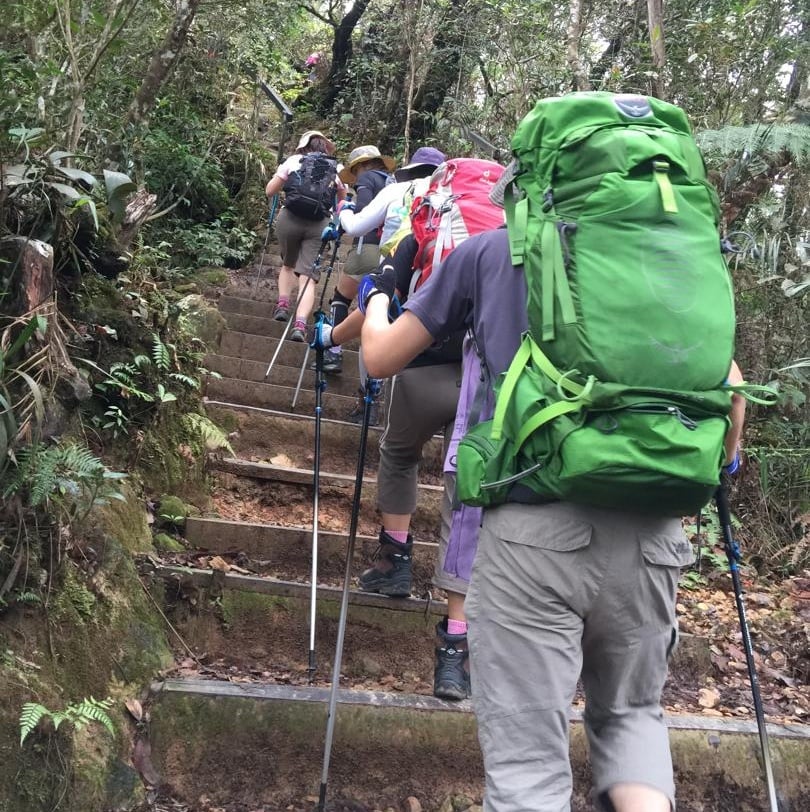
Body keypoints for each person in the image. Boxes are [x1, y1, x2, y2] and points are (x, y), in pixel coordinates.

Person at [339, 221, 746, 809]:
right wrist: (723, 466)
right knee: (632, 717)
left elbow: (380, 358)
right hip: (653, 535)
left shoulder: (491, 250)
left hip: (532, 533)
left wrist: (376, 299)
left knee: (528, 764)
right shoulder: (660, 249)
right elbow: (731, 385)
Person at [319, 145, 395, 374]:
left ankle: (333, 353)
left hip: (367, 247)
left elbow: (363, 208)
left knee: (341, 297)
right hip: (390, 254)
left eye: (355, 171)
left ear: (362, 165)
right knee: (376, 305)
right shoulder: (394, 183)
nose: (354, 177)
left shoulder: (368, 177)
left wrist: (346, 212)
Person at [264, 130, 344, 342]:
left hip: (289, 218)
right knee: (308, 277)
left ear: (303, 145)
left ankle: (282, 305)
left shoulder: (293, 160)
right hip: (319, 224)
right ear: (325, 147)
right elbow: (342, 201)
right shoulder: (335, 167)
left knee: (288, 265)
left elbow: (270, 191)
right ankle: (300, 324)